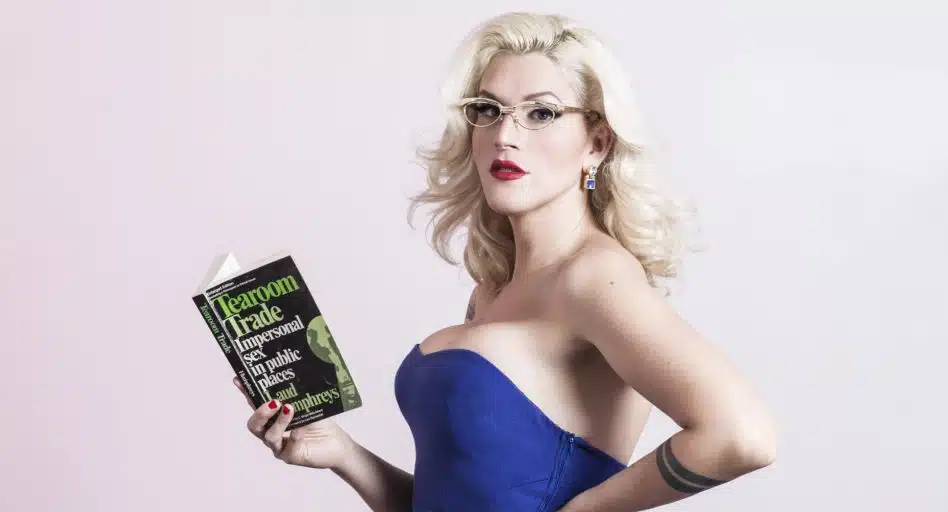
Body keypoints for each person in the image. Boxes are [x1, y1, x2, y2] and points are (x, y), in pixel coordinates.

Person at [232, 11, 776, 511]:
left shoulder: (595, 278)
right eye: (488, 111)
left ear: (596, 143)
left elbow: (741, 435)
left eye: (541, 113)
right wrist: (344, 455)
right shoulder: (492, 291)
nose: (505, 136)